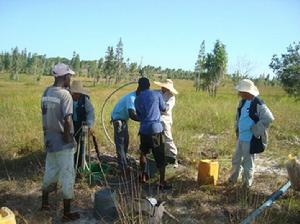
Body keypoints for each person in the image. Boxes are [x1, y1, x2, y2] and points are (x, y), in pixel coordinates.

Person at [41, 63, 80, 222]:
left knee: (50, 171)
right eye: (69, 76)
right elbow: (67, 120)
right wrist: (68, 138)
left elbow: (43, 113)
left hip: (49, 140)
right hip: (62, 142)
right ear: (64, 77)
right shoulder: (65, 95)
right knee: (67, 176)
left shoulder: (46, 92)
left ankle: (44, 203)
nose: (70, 78)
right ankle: (66, 213)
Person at [227, 79, 274, 188]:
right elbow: (239, 117)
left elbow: (269, 118)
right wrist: (237, 129)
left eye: (240, 91)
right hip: (241, 137)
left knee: (248, 163)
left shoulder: (258, 103)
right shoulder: (242, 102)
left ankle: (246, 185)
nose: (239, 93)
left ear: (246, 91)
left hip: (250, 139)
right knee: (236, 159)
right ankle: (232, 180)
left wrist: (255, 129)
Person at [135, 77, 171, 190]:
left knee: (143, 153)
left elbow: (139, 115)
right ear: (149, 85)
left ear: (139, 86)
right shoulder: (156, 94)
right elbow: (164, 108)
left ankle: (142, 177)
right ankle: (162, 182)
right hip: (155, 130)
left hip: (144, 130)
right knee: (160, 156)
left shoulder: (137, 99)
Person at [110, 84, 140, 175]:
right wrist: (145, 119)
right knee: (121, 144)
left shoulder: (136, 97)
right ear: (139, 91)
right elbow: (132, 114)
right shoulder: (131, 97)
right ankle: (123, 168)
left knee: (125, 142)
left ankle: (123, 163)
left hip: (123, 121)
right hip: (118, 121)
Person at [70, 80, 95, 169]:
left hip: (82, 125)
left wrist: (89, 125)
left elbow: (90, 113)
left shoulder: (85, 100)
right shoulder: (67, 99)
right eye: (74, 93)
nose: (76, 95)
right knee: (71, 145)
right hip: (70, 125)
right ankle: (71, 164)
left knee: (81, 145)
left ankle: (80, 165)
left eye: (78, 93)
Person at [154, 79, 179, 168]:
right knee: (157, 139)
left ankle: (173, 157)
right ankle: (160, 158)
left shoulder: (171, 97)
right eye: (163, 86)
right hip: (155, 119)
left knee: (168, 138)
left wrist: (155, 106)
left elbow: (165, 108)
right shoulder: (157, 92)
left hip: (165, 120)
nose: (163, 88)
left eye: (165, 87)